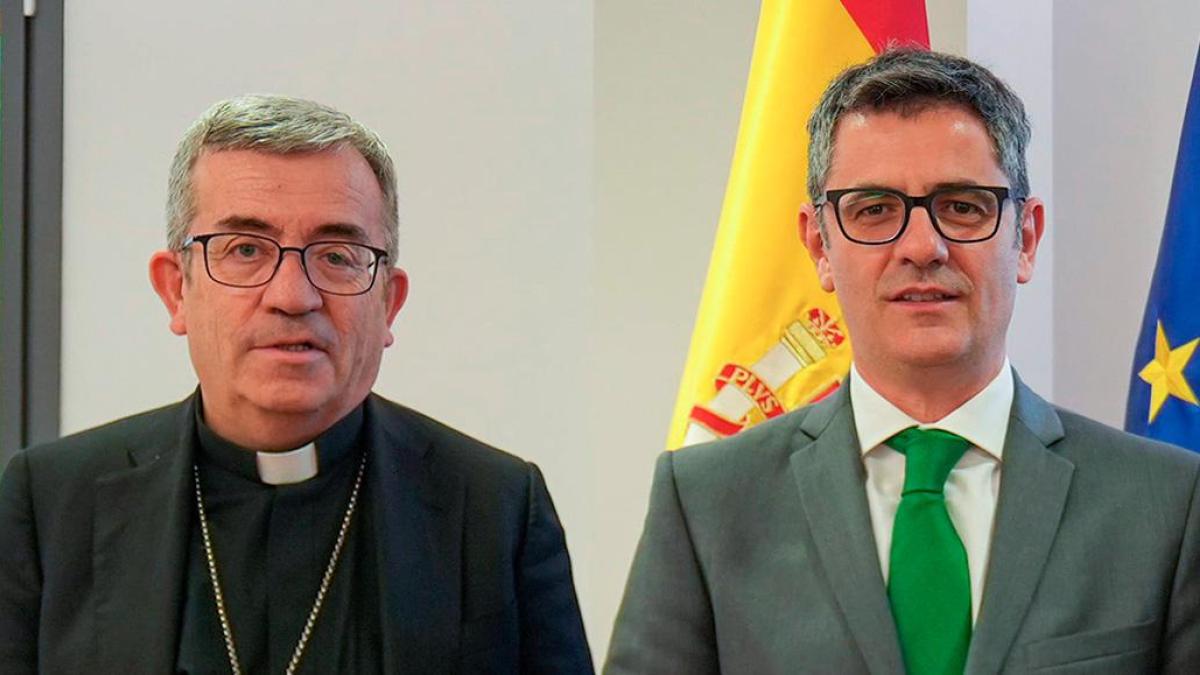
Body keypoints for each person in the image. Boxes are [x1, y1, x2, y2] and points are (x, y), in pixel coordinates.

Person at [606, 49, 1200, 674]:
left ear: (1025, 238)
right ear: (819, 246)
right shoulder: (706, 503)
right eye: (874, 210)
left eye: (963, 206)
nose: (922, 246)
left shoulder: (1168, 503)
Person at [0, 95, 593, 674]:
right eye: (245, 249)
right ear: (177, 290)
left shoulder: (495, 509)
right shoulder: (51, 504)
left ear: (388, 303)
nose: (292, 296)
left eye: (336, 255)